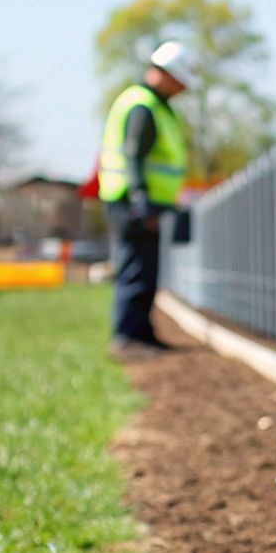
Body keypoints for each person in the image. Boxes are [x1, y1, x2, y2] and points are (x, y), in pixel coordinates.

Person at [98, 41, 195, 354]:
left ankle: (142, 333)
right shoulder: (142, 105)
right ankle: (127, 337)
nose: (181, 88)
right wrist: (141, 197)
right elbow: (134, 154)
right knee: (135, 268)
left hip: (143, 201)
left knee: (147, 268)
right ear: (164, 74)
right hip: (132, 201)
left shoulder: (157, 106)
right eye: (179, 81)